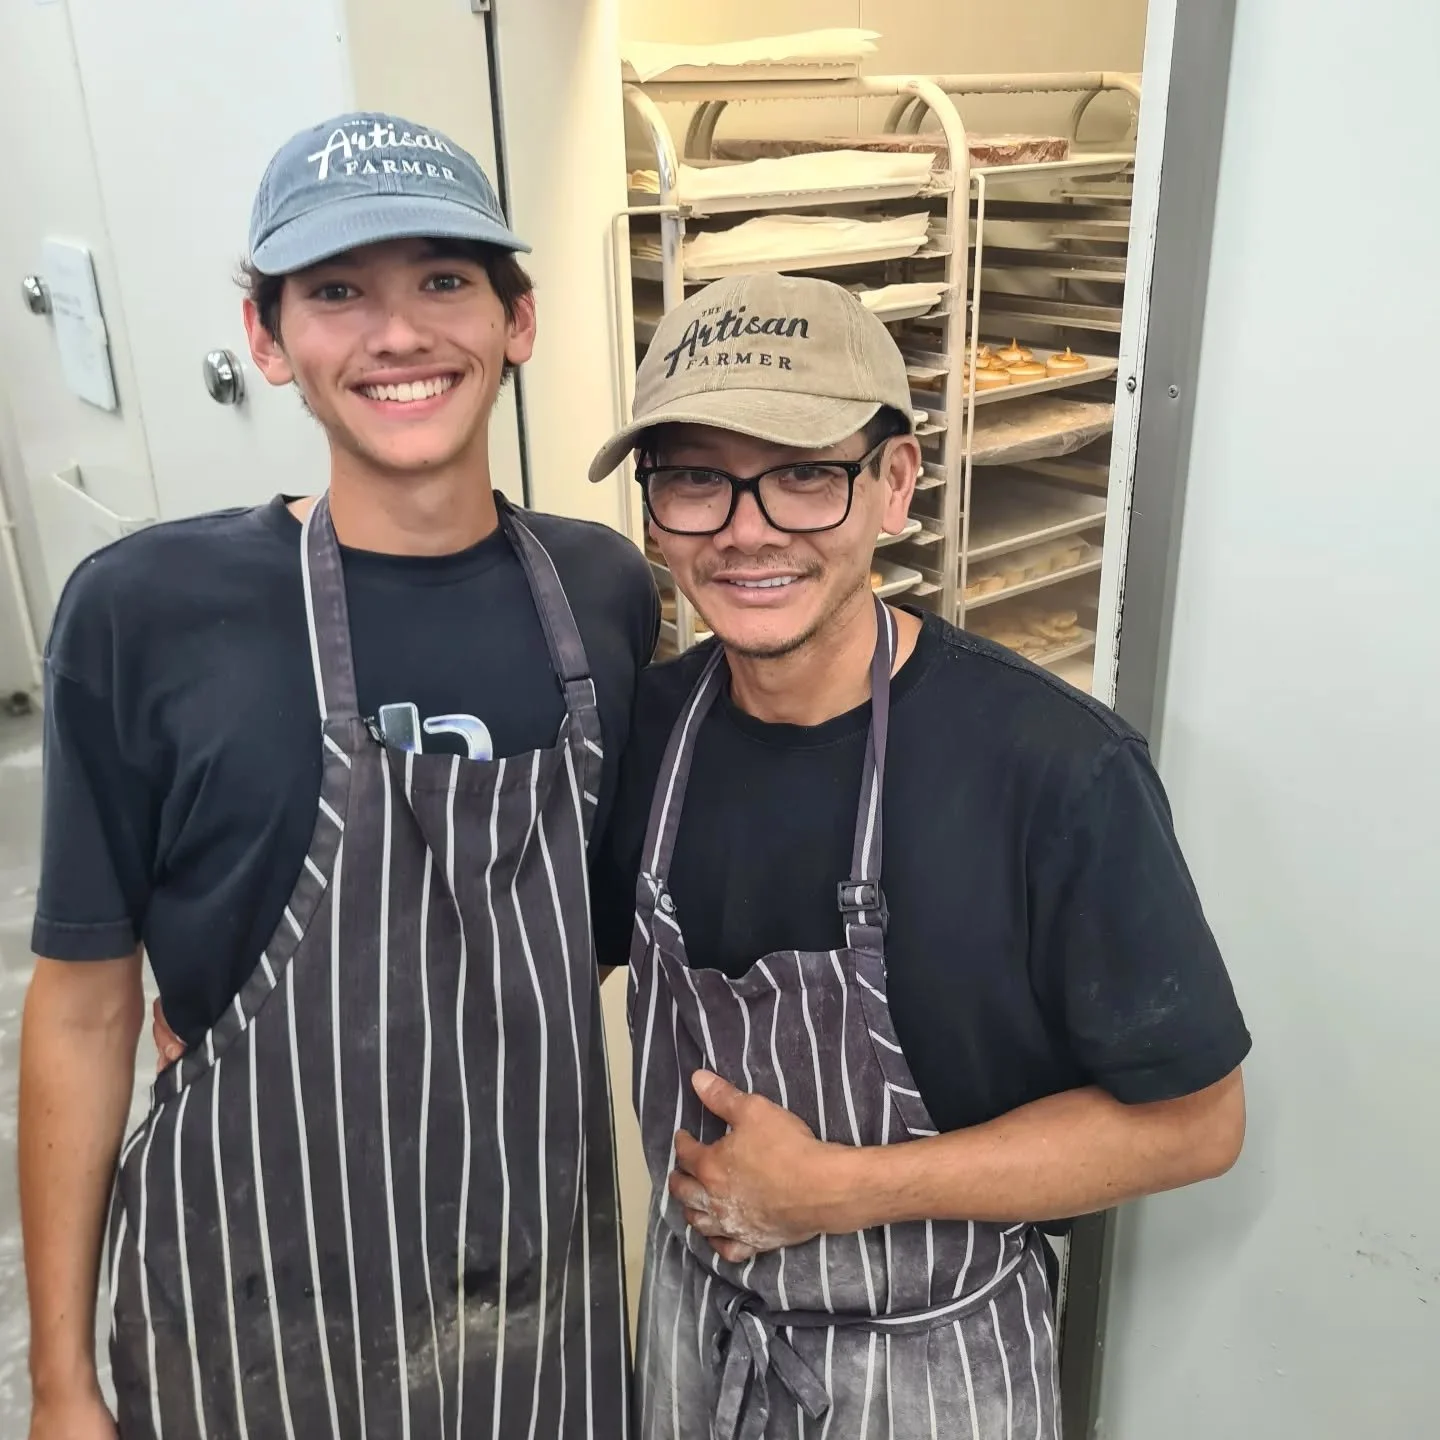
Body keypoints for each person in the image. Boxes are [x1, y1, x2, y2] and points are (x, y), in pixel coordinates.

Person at [20, 112, 650, 1440]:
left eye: (442, 279)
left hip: (533, 1304)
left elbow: (579, 934)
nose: (399, 332)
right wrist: (64, 1383)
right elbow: (81, 1014)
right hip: (252, 1305)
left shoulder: (602, 595)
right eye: (337, 291)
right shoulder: (144, 614)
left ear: (517, 319)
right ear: (267, 337)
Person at [588, 272, 1251, 1438]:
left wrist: (838, 1195)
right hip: (698, 1337)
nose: (746, 530)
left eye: (805, 475)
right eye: (695, 477)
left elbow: (1198, 1122)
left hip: (932, 1370)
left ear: (893, 483)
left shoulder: (1051, 770)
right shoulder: (651, 731)